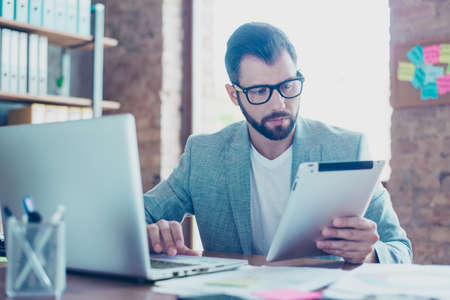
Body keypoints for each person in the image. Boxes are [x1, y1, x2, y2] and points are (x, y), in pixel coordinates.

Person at [144, 22, 412, 264]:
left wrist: (370, 253)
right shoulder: (204, 155)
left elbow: (401, 250)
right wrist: (149, 233)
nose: (279, 103)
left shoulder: (346, 149)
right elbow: (137, 216)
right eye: (260, 91)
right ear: (234, 95)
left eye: (288, 86)